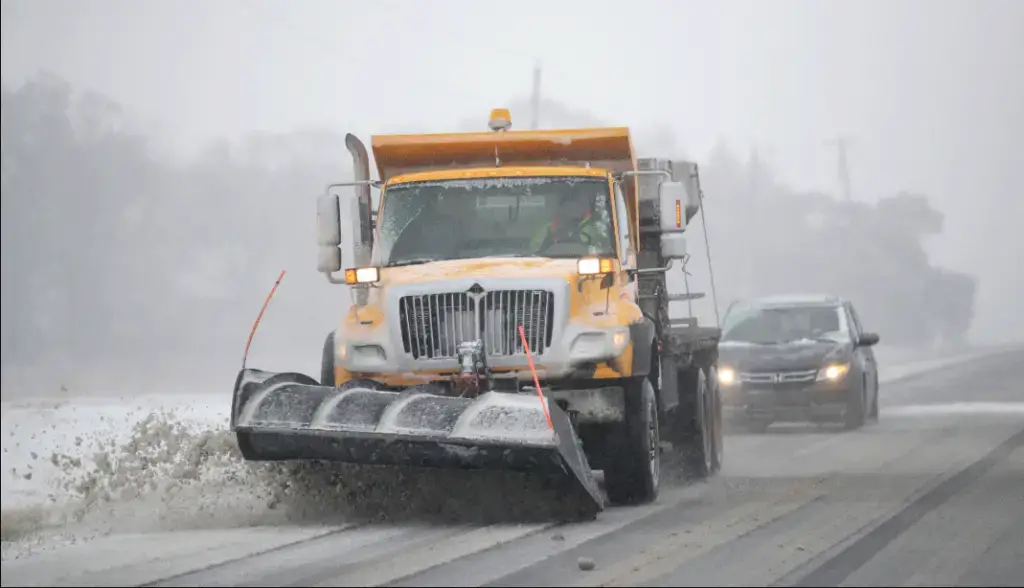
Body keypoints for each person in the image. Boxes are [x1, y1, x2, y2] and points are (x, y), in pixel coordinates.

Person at [530, 192, 604, 253]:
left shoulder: (592, 227)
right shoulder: (546, 228)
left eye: (573, 206)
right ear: (560, 208)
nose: (570, 210)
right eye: (566, 206)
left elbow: (598, 250)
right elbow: (534, 250)